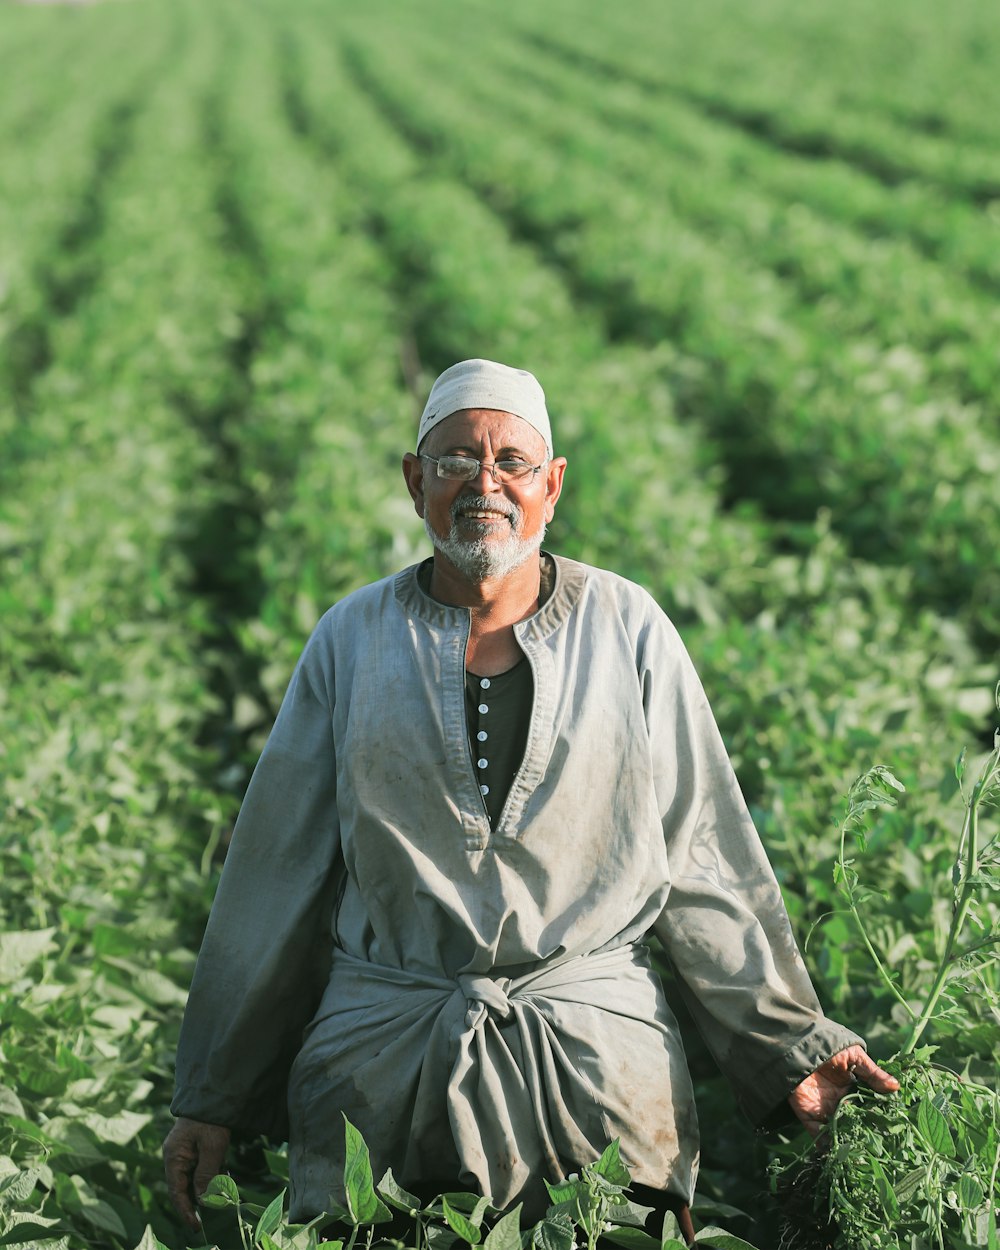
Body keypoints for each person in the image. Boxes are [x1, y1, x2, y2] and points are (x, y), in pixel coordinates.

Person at [164, 359, 898, 1241]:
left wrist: (789, 1045)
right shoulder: (351, 640)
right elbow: (273, 878)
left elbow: (701, 856)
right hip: (382, 1072)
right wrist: (212, 1094)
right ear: (414, 481)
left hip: (595, 1070)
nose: (485, 484)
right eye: (455, 461)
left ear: (551, 487)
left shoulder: (628, 627)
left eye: (512, 461)